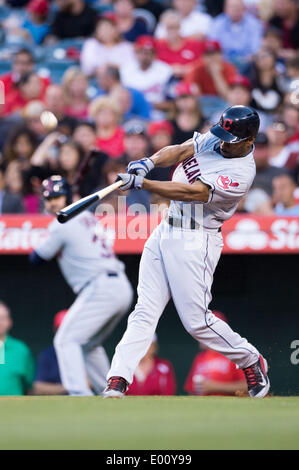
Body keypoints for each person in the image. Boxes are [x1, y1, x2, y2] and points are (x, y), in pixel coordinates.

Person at [103, 105, 270, 399]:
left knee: (197, 322)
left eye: (229, 139)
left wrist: (144, 183)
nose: (221, 142)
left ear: (249, 141)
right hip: (166, 228)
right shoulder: (220, 138)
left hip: (196, 237)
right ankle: (118, 379)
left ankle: (249, 359)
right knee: (144, 311)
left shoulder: (240, 172)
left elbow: (193, 192)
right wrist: (147, 162)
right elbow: (181, 150)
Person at [30, 176, 133, 396]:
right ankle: (111, 392)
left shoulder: (62, 222)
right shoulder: (87, 217)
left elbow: (36, 258)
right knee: (88, 345)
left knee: (66, 339)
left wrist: (41, 239)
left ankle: (79, 394)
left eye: (57, 197)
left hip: (99, 287)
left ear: (69, 196)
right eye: (49, 198)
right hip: (119, 287)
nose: (53, 203)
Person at [184, 311, 247, 396]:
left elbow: (250, 387)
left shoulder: (234, 354)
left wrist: (215, 387)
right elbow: (191, 390)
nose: (199, 334)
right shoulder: (200, 357)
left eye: (203, 330)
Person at [120, 35, 173, 120]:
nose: (145, 56)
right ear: (135, 52)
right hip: (130, 117)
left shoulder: (165, 71)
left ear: (155, 54)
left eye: (149, 52)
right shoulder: (125, 70)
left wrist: (145, 104)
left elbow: (172, 103)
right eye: (141, 51)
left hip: (158, 117)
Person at [209, 0, 263, 72]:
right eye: (232, 7)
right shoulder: (217, 24)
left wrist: (245, 60)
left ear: (244, 8)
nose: (235, 10)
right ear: (225, 9)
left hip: (248, 64)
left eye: (238, 7)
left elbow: (256, 48)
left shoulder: (254, 24)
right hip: (222, 64)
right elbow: (213, 47)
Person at [155, 9, 205, 79]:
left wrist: (188, 68)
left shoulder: (194, 44)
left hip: (189, 80)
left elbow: (202, 62)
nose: (172, 31)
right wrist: (170, 69)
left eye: (175, 27)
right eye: (169, 27)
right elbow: (154, 66)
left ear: (180, 27)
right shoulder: (158, 45)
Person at [0, 301, 35, 395]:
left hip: (14, 407)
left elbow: (30, 386)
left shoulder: (21, 349)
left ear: (9, 322)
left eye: (2, 318)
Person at [33, 310, 67, 396]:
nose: (63, 332)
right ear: (54, 330)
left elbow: (92, 382)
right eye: (60, 328)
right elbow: (38, 388)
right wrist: (69, 387)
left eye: (67, 329)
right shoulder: (47, 355)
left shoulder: (87, 353)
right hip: (55, 405)